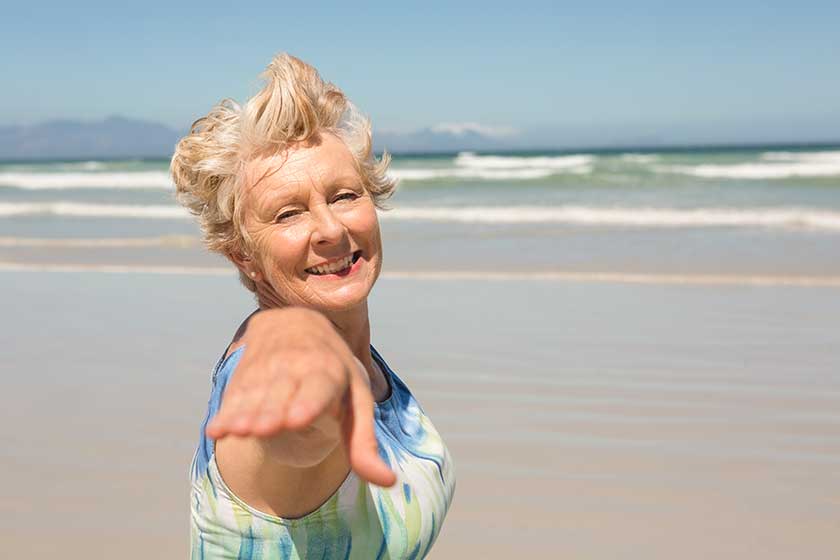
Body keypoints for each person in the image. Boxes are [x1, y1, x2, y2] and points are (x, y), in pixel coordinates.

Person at [170, 53, 456, 559]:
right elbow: (292, 434)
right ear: (244, 255)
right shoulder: (275, 371)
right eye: (287, 213)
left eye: (345, 195)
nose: (330, 229)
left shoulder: (359, 353)